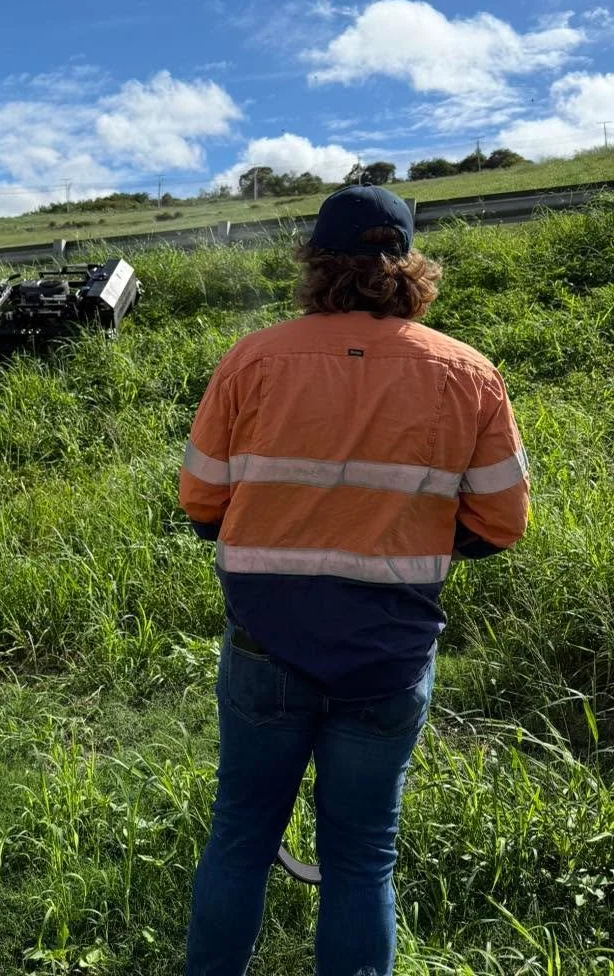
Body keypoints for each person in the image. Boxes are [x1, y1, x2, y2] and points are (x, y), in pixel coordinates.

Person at [179, 185, 529, 976]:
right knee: (364, 857)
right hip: (388, 656)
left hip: (266, 647)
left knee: (240, 837)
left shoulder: (252, 360)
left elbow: (201, 500)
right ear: (408, 265)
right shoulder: (469, 374)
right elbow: (502, 523)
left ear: (314, 262)